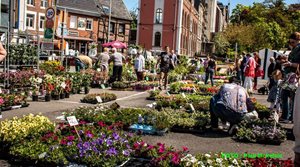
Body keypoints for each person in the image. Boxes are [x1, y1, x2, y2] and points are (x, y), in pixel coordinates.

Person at [280, 32, 300, 123]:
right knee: (284, 96)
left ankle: (291, 117)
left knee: (292, 98)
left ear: (298, 40)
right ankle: (286, 116)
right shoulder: (295, 49)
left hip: (295, 77)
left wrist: (290, 64)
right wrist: (286, 61)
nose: (291, 44)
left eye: (293, 42)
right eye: (290, 42)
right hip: (289, 76)